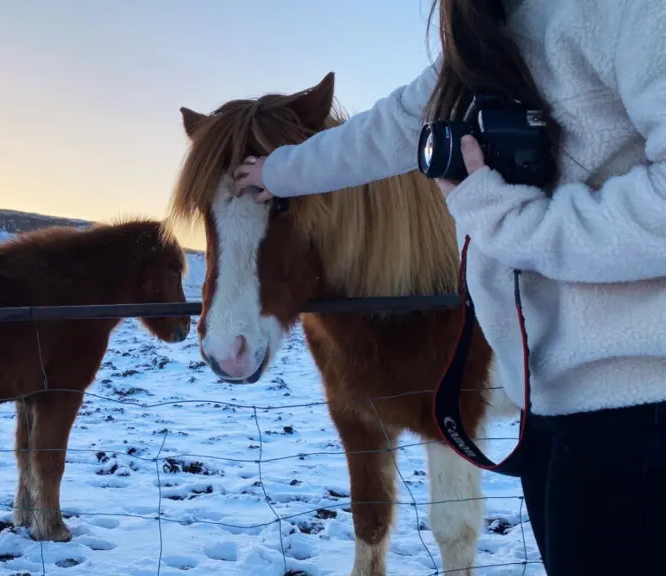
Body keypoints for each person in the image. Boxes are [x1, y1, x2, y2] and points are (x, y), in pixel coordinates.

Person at [232, 0, 666, 574]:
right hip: (553, 401)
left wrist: (514, 223)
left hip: (642, 398)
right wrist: (279, 171)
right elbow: (381, 131)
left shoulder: (629, 13)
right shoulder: (487, 37)